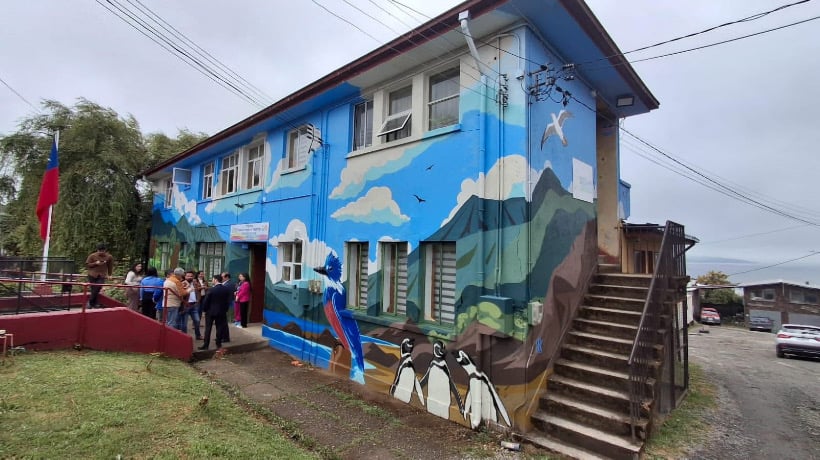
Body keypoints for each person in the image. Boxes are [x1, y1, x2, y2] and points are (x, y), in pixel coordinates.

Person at [199, 274, 231, 350]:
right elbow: (228, 301)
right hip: (221, 312)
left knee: (208, 328)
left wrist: (204, 309)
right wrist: (225, 310)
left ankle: (206, 345)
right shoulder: (226, 289)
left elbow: (206, 301)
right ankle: (218, 344)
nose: (212, 281)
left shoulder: (211, 290)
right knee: (219, 327)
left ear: (216, 280)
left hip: (210, 312)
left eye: (213, 279)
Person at [85, 243, 114, 308]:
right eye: (100, 251)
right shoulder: (92, 256)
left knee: (98, 286)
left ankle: (90, 302)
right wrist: (95, 263)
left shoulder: (109, 257)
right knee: (94, 289)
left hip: (102, 275)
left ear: (105, 250)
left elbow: (110, 266)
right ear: (97, 250)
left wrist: (110, 274)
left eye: (102, 251)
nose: (101, 252)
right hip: (92, 274)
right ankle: (94, 303)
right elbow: (87, 265)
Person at [177, 270, 202, 339]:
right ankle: (184, 337)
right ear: (185, 276)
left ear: (193, 276)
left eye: (191, 276)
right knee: (184, 324)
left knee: (197, 321)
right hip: (186, 305)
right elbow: (180, 294)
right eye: (188, 276)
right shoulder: (182, 283)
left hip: (194, 305)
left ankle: (198, 335)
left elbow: (198, 291)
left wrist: (198, 300)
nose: (189, 277)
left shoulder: (195, 283)